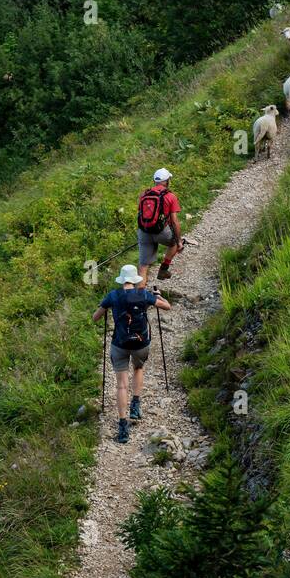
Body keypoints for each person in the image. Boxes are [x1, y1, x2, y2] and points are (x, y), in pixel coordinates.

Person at [93, 264, 170, 444]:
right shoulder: (143, 294)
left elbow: (95, 317)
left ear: (121, 280)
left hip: (119, 344)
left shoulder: (113, 296)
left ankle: (122, 426)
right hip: (141, 343)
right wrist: (158, 296)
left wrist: (105, 307)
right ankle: (135, 405)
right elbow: (167, 307)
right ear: (135, 280)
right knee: (138, 368)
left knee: (121, 386)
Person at [136, 167, 185, 287]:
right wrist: (179, 241)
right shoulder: (170, 196)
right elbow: (174, 221)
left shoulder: (144, 194)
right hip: (161, 232)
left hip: (144, 231)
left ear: (155, 181)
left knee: (143, 266)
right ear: (167, 181)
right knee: (173, 244)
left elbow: (141, 214)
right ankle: (163, 269)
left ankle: (139, 298)